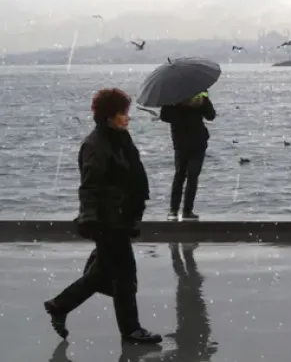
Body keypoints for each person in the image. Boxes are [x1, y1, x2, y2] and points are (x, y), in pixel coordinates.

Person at [43, 88, 162, 344]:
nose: (127, 118)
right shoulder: (95, 145)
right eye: (122, 113)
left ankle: (60, 305)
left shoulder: (120, 139)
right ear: (109, 116)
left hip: (121, 216)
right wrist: (89, 219)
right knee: (123, 274)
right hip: (108, 220)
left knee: (107, 273)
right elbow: (89, 186)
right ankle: (129, 329)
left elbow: (132, 176)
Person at [160, 91, 216, 221]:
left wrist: (201, 104)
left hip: (198, 140)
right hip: (180, 141)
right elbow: (164, 116)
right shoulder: (172, 95)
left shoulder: (201, 93)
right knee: (180, 174)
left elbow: (211, 115)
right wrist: (180, 105)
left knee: (193, 174)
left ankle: (187, 210)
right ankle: (173, 210)